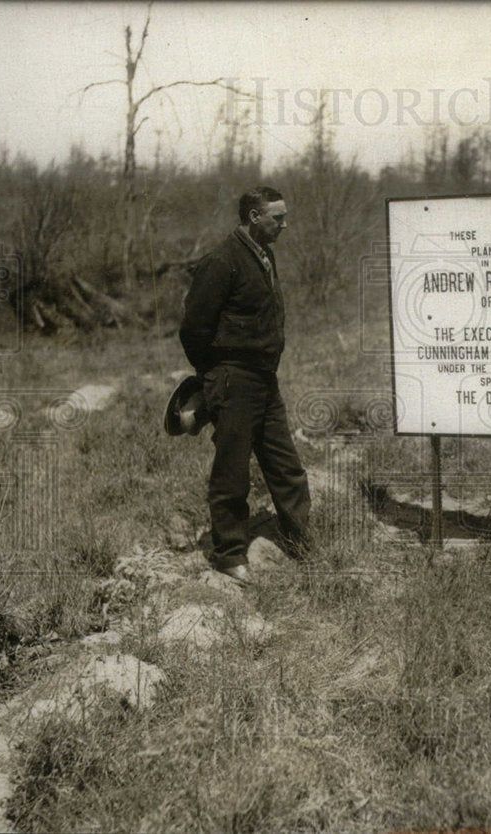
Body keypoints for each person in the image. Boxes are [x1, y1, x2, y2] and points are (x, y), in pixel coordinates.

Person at [180, 186, 311, 581]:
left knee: (285, 465)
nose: (285, 224)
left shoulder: (264, 255)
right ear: (254, 216)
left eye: (284, 217)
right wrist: (214, 378)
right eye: (277, 217)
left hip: (264, 380)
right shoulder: (221, 262)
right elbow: (193, 329)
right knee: (232, 471)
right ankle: (230, 553)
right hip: (234, 380)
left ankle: (299, 542)